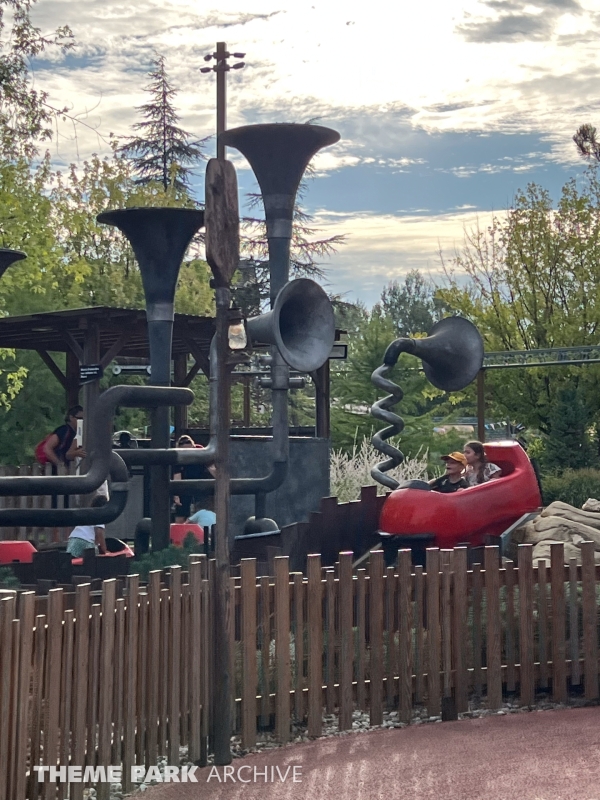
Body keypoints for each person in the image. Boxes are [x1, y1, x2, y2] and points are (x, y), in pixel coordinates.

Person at [173, 435, 215, 523]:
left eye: (190, 450)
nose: (188, 453)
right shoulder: (177, 456)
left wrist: (221, 479)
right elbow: (177, 477)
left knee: (201, 513)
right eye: (185, 451)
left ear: (193, 446)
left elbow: (212, 468)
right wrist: (176, 495)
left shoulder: (201, 452)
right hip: (184, 488)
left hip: (200, 487)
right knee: (180, 515)